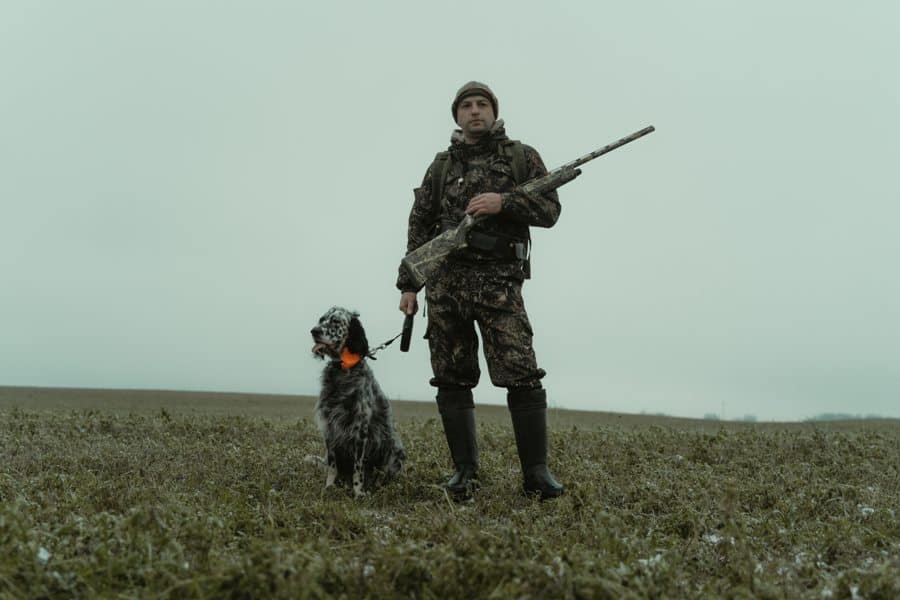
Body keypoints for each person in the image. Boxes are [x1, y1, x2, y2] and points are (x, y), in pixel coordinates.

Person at [396, 81, 563, 500]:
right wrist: (409, 284)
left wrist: (503, 203)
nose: (475, 111)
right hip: (447, 286)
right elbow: (420, 225)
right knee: (451, 378)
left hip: (500, 286)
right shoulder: (439, 168)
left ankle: (537, 476)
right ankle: (464, 473)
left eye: (482, 104)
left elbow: (550, 210)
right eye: (467, 106)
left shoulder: (522, 158)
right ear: (457, 115)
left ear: (494, 111)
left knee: (521, 372)